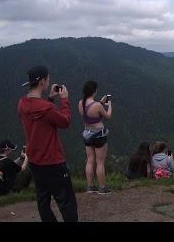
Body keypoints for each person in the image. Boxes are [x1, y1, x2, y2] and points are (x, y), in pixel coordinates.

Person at [18, 65, 78, 222]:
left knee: (43, 202)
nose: (49, 81)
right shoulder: (48, 108)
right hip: (54, 162)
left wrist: (50, 98)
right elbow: (65, 121)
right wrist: (64, 100)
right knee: (66, 203)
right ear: (43, 82)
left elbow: (40, 116)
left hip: (35, 162)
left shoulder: (22, 104)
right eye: (48, 79)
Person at [78, 80, 113, 194]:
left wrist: (101, 103)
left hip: (87, 133)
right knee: (100, 162)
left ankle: (90, 187)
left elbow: (90, 116)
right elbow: (107, 116)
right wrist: (109, 105)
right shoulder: (97, 105)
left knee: (90, 160)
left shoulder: (80, 103)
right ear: (95, 91)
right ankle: (102, 188)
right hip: (99, 135)